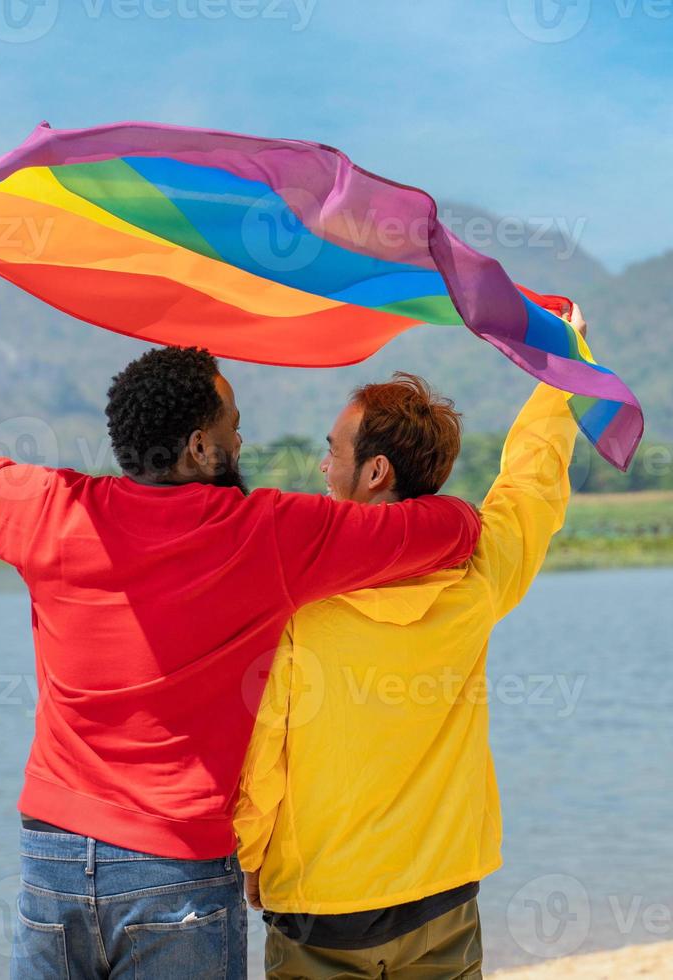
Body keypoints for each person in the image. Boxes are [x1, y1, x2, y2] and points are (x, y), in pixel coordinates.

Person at [0, 250, 482, 980]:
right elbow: (451, 529)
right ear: (199, 446)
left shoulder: (47, 511)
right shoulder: (269, 536)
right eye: (233, 424)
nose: (242, 441)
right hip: (177, 869)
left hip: (55, 856)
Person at [234, 306, 588, 979]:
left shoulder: (302, 604)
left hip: (323, 902)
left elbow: (264, 749)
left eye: (334, 451)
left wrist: (250, 856)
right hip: (444, 893)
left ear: (374, 475)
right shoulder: (476, 579)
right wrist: (560, 376)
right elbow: (531, 487)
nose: (321, 464)